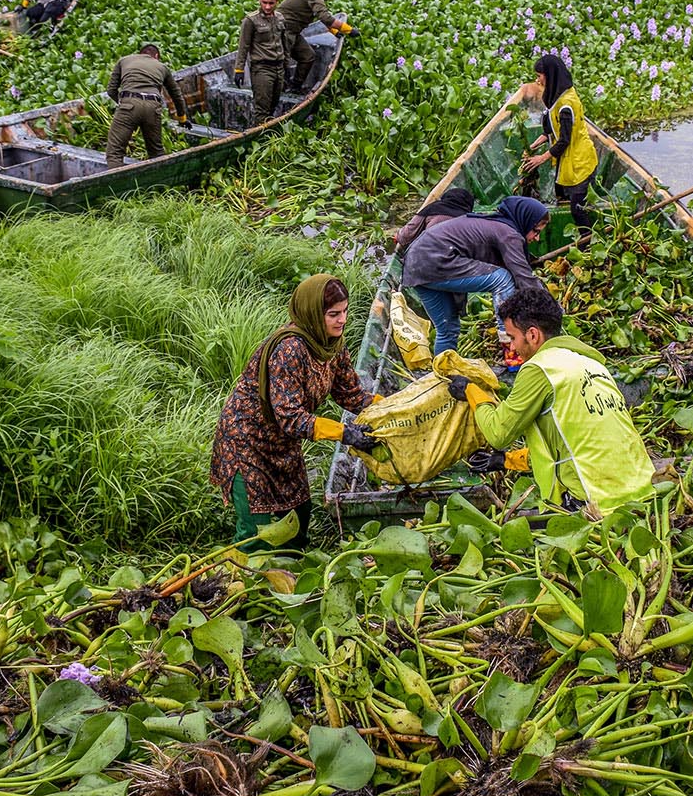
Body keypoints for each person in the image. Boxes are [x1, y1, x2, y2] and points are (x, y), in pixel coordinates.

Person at [208, 275, 382, 548]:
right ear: (312, 313)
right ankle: (249, 577)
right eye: (333, 314)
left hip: (283, 441)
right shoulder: (291, 349)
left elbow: (350, 394)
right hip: (248, 439)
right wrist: (345, 433)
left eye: (345, 311)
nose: (342, 320)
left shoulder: (332, 345)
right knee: (257, 530)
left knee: (298, 513)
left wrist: (395, 407)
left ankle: (293, 570)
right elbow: (289, 416)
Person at [450, 286, 655, 516]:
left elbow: (498, 433)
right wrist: (507, 460)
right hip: (642, 494)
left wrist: (473, 392)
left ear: (533, 335)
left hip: (598, 504)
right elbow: (577, 445)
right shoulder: (592, 364)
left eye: (512, 338)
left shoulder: (541, 369)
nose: (513, 347)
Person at [402, 195, 549, 357]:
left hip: (414, 266)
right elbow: (523, 277)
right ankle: (509, 342)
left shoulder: (495, 224)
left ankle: (443, 374)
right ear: (525, 220)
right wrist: (549, 308)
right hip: (435, 261)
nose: (537, 238)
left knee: (447, 328)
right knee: (502, 279)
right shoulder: (508, 233)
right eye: (536, 231)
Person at [520, 52, 599, 243]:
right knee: (560, 192)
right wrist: (533, 146)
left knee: (577, 209)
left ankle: (588, 243)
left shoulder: (566, 104)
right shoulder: (556, 96)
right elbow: (550, 132)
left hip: (580, 160)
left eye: (539, 75)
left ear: (550, 75)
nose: (537, 80)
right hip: (568, 160)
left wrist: (541, 158)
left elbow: (564, 140)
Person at [233, 0, 310, 122]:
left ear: (277, 2)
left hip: (278, 67)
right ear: (259, 1)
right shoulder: (251, 20)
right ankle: (260, 137)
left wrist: (286, 66)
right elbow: (243, 46)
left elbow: (284, 44)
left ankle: (268, 133)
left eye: (271, 3)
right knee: (262, 109)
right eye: (264, 3)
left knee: (273, 104)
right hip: (262, 68)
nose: (267, 7)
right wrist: (239, 69)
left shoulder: (280, 18)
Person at [105, 43, 188, 167]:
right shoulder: (162, 67)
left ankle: (116, 185)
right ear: (156, 56)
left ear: (140, 54)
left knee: (115, 153)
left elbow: (111, 90)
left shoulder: (124, 60)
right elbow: (176, 95)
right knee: (156, 152)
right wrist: (182, 118)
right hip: (153, 107)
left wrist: (125, 105)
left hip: (129, 103)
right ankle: (161, 183)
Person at [276, 0, 354, 92]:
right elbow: (325, 17)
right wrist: (349, 30)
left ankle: (295, 86)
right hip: (283, 30)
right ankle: (280, 91)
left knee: (308, 56)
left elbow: (319, 15)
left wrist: (333, 30)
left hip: (294, 32)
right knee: (282, 63)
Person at [389, 187, 476, 253]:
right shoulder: (469, 219)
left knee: (402, 245)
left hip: (426, 254)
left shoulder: (432, 208)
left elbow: (406, 234)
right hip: (454, 260)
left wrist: (398, 237)